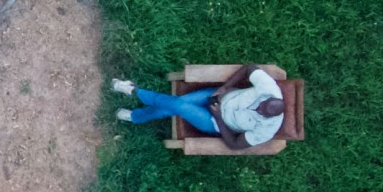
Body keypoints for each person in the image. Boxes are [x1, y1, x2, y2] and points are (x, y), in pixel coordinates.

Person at [111, 66, 286, 150]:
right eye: (261, 105)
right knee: (172, 107)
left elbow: (235, 144)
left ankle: (133, 91)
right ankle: (135, 117)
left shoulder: (267, 130)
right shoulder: (269, 89)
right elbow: (249, 68)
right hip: (217, 96)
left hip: (213, 121)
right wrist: (225, 87)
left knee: (177, 104)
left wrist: (218, 118)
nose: (258, 109)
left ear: (270, 118)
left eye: (262, 113)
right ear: (269, 98)